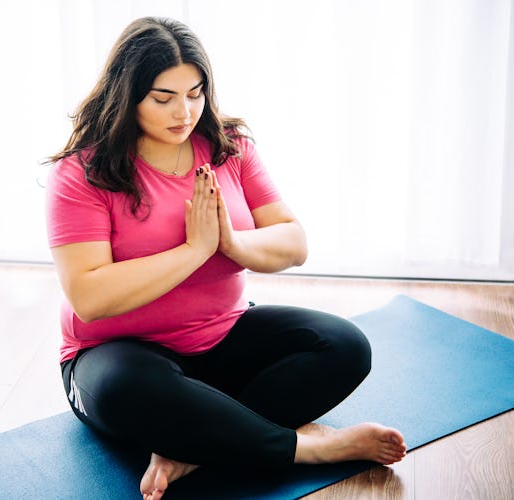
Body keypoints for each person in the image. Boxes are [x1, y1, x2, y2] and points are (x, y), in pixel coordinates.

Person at [45, 16, 406, 500]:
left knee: (344, 346)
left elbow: (293, 242)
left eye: (195, 93)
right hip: (117, 357)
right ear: (126, 96)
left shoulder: (228, 146)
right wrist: (194, 250)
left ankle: (189, 445)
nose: (185, 111)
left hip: (221, 337)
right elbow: (89, 296)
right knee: (128, 391)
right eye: (163, 98)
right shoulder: (84, 171)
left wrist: (232, 244)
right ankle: (309, 447)